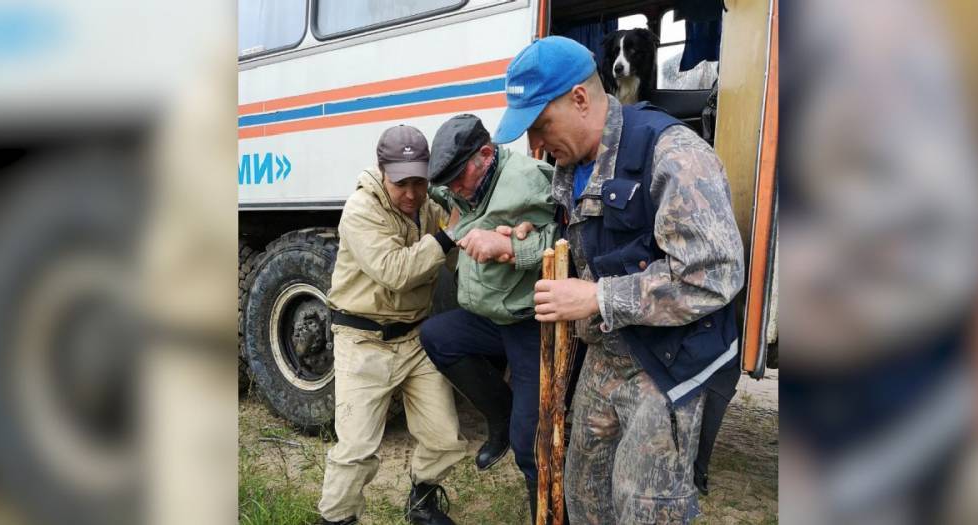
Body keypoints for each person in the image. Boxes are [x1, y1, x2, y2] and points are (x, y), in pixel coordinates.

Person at [493, 36, 744, 524]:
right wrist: (531, 237)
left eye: (541, 126)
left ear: (581, 99)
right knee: (584, 494)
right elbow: (599, 243)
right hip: (608, 353)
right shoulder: (571, 168)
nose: (537, 145)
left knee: (645, 508)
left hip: (669, 362)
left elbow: (715, 273)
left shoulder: (670, 151)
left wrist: (596, 297)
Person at [317, 125, 467, 525]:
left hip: (415, 336)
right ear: (382, 171)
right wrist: (451, 237)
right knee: (356, 449)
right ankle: (337, 519)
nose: (412, 194)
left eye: (420, 182)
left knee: (444, 438)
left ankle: (423, 504)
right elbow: (395, 271)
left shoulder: (430, 207)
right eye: (402, 183)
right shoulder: (361, 209)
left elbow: (455, 259)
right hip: (362, 338)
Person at [417, 114, 558, 521]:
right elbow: (447, 196)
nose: (456, 189)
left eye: (460, 178)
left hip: (529, 322)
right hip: (489, 319)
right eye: (449, 185)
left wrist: (509, 247)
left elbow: (571, 237)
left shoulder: (532, 179)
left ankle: (546, 512)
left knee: (531, 441)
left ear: (486, 153)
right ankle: (501, 415)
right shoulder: (464, 185)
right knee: (438, 336)